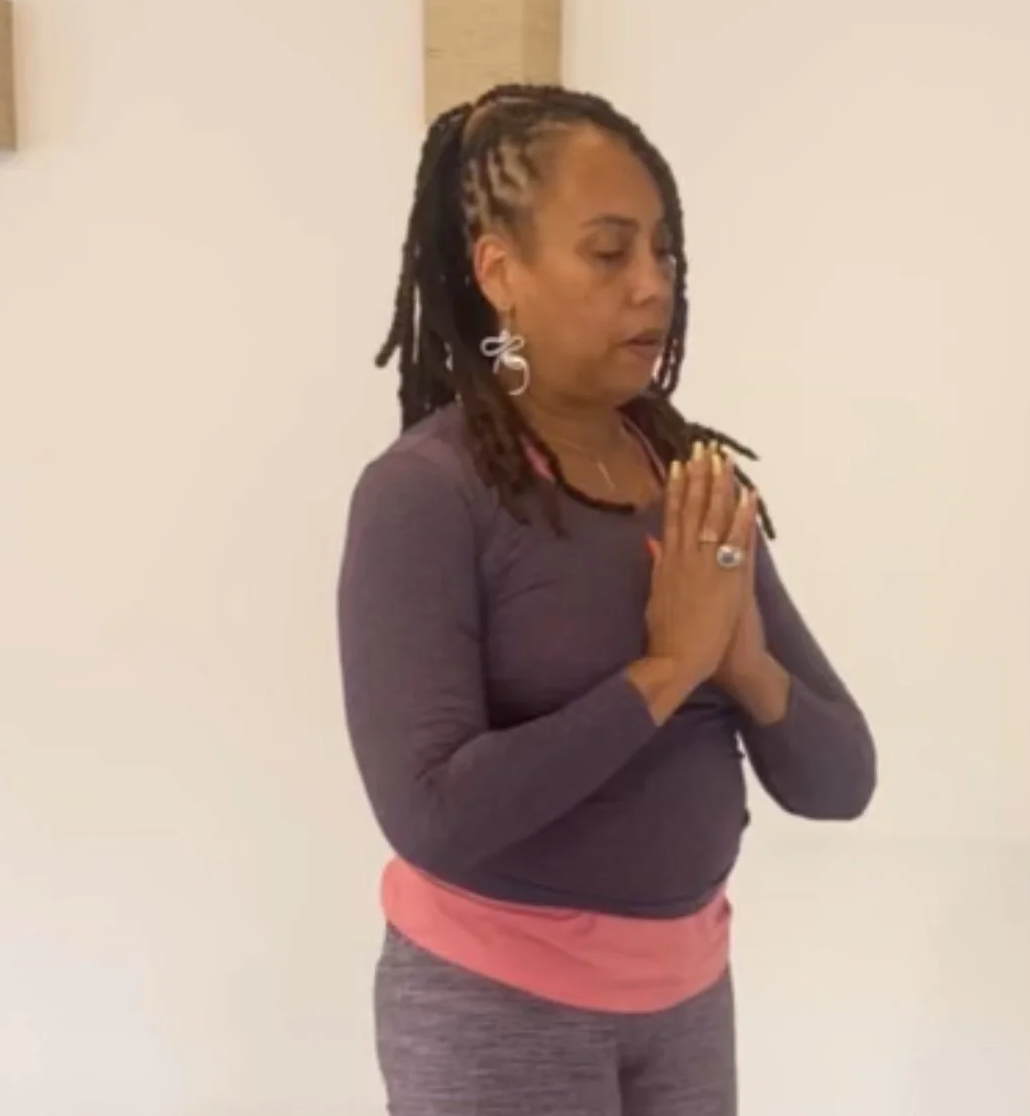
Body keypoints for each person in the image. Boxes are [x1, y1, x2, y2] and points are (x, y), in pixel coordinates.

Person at [336, 83, 876, 1116]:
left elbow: (840, 778)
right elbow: (431, 813)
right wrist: (665, 671)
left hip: (687, 1002)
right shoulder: (426, 492)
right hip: (495, 1012)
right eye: (608, 251)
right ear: (499, 271)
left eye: (663, 252)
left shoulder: (694, 483)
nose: (651, 284)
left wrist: (744, 666)